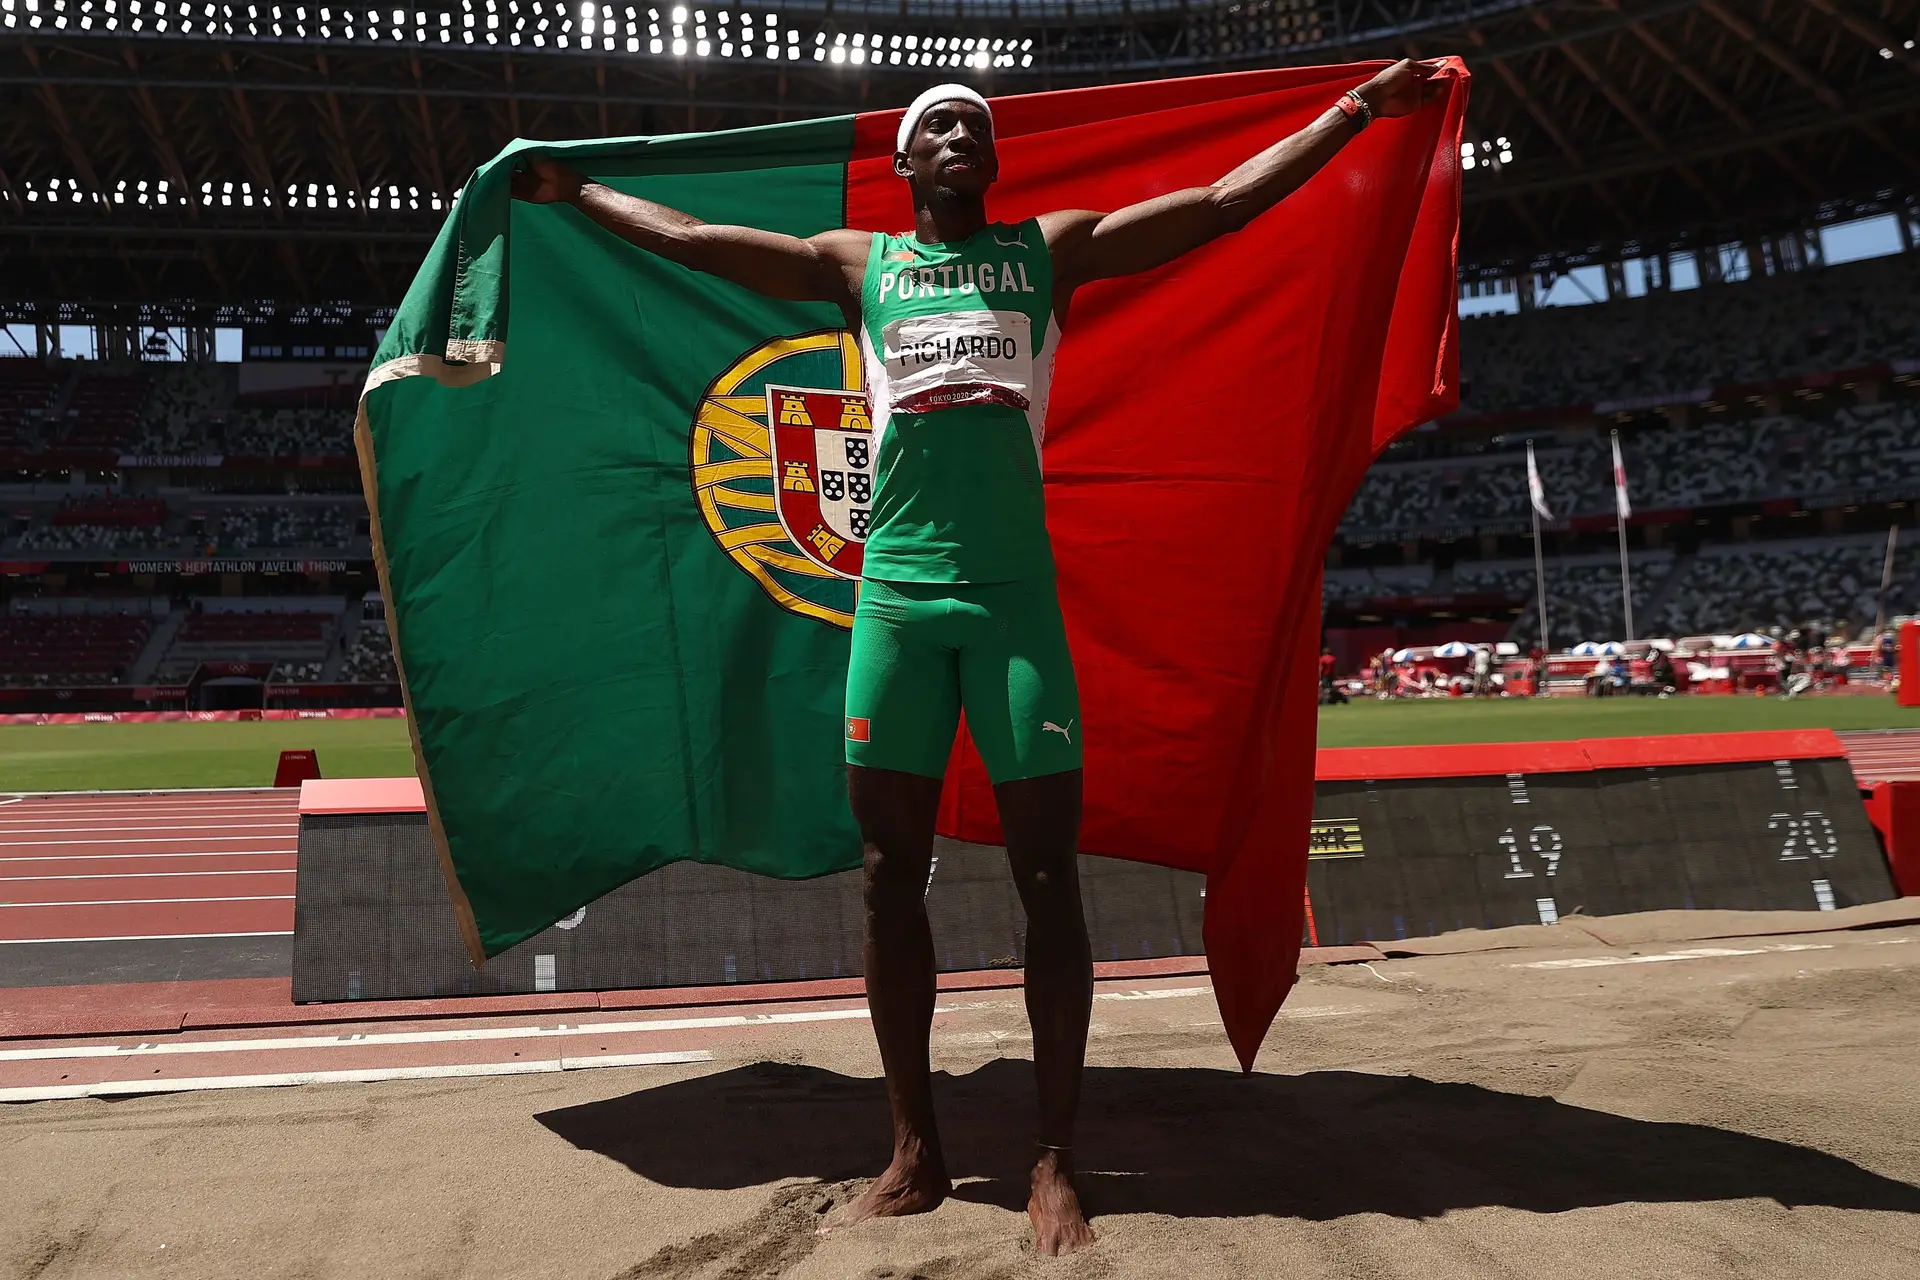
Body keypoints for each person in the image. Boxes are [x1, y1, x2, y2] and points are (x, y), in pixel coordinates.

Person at [512, 61, 1446, 1256]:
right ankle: (915, 1145)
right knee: (886, 872)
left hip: (1011, 602)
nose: (957, 131)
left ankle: (1055, 1157)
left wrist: (1360, 110)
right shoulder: (861, 265)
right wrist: (572, 190)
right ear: (906, 163)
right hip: (897, 598)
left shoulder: (1048, 249)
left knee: (1048, 878)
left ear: (991, 160)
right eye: (935, 124)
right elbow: (695, 240)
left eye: (974, 123)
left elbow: (1219, 204)